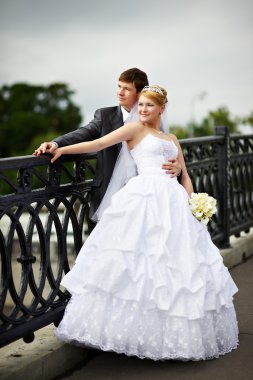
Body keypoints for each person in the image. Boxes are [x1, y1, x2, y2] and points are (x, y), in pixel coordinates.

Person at [51, 85, 239, 361]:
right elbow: (98, 144)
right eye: (140, 105)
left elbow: (183, 175)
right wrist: (59, 147)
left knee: (176, 266)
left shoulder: (171, 138)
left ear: (162, 108)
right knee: (137, 264)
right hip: (143, 198)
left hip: (173, 202)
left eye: (149, 105)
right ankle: (126, 332)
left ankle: (172, 338)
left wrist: (194, 203)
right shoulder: (134, 130)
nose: (142, 110)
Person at [33, 68, 181, 223]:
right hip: (110, 193)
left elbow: (166, 152)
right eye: (119, 86)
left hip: (151, 197)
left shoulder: (155, 121)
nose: (120, 92)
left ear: (139, 93)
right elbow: (85, 133)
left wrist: (177, 168)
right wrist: (56, 144)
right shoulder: (105, 116)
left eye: (127, 89)